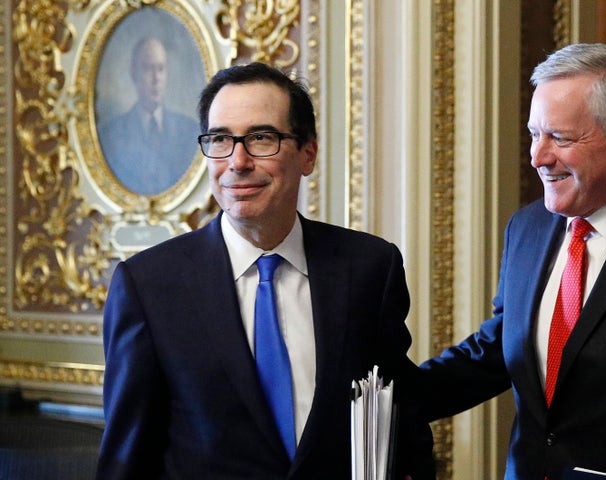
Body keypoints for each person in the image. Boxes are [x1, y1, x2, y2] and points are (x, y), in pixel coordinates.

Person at [96, 62, 435, 479]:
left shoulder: (370, 269)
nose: (237, 161)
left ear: (307, 153)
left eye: (261, 138)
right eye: (220, 139)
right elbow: (126, 460)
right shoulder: (148, 286)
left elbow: (403, 427)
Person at [417, 43, 606, 480]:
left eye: (559, 137)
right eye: (534, 134)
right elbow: (501, 348)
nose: (538, 157)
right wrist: (386, 396)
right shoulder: (528, 227)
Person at [97, 36, 198, 195]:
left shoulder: (190, 131)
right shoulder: (111, 133)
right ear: (134, 74)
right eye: (147, 68)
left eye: (160, 69)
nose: (155, 79)